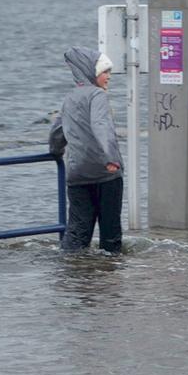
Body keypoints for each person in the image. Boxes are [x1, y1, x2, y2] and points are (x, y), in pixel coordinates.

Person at [56, 46, 123, 253]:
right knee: (110, 232)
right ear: (91, 71)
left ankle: (72, 273)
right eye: (105, 72)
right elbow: (101, 126)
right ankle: (109, 275)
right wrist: (111, 158)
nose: (108, 77)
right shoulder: (97, 96)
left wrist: (55, 151)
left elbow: (58, 131)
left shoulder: (69, 98)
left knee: (77, 232)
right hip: (105, 174)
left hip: (77, 175)